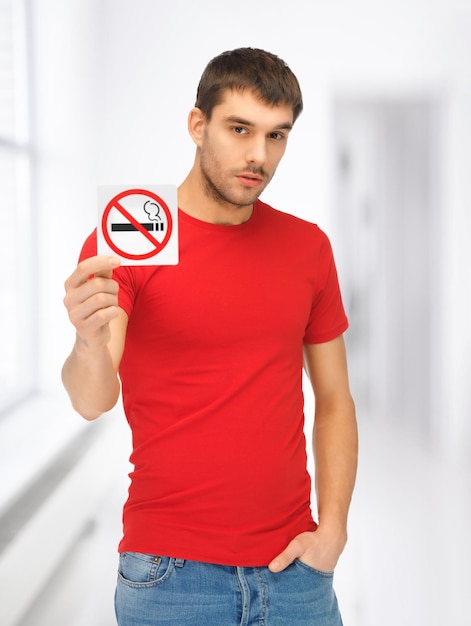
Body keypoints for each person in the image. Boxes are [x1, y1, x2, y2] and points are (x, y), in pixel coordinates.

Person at [62, 47, 358, 626]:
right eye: (240, 129)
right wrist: (88, 342)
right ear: (198, 125)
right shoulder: (132, 236)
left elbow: (335, 400)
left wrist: (334, 530)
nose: (258, 155)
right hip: (170, 574)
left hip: (295, 570)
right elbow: (91, 399)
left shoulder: (308, 248)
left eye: (277, 136)